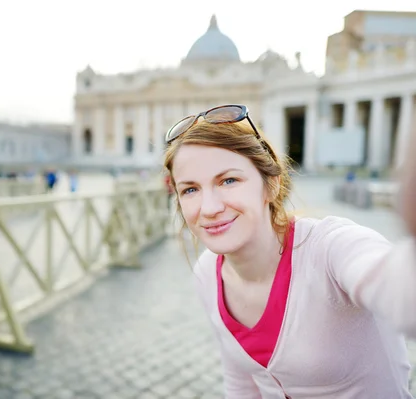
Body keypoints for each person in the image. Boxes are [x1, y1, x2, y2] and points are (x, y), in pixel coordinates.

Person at [162, 104, 416, 398]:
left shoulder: (331, 248)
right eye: (190, 189)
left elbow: (400, 291)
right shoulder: (207, 272)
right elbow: (242, 383)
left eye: (229, 180)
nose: (209, 208)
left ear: (271, 184)